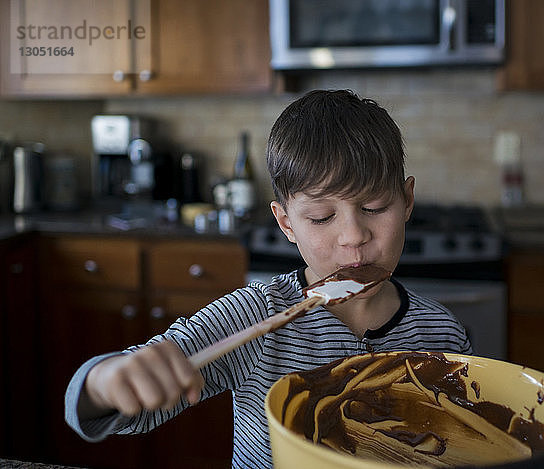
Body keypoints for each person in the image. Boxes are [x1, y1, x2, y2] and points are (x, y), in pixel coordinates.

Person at [65, 89, 472, 468]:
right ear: (287, 223)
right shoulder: (255, 315)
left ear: (407, 202)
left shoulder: (444, 334)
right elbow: (121, 409)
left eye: (375, 206)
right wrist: (105, 383)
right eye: (321, 217)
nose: (353, 236)